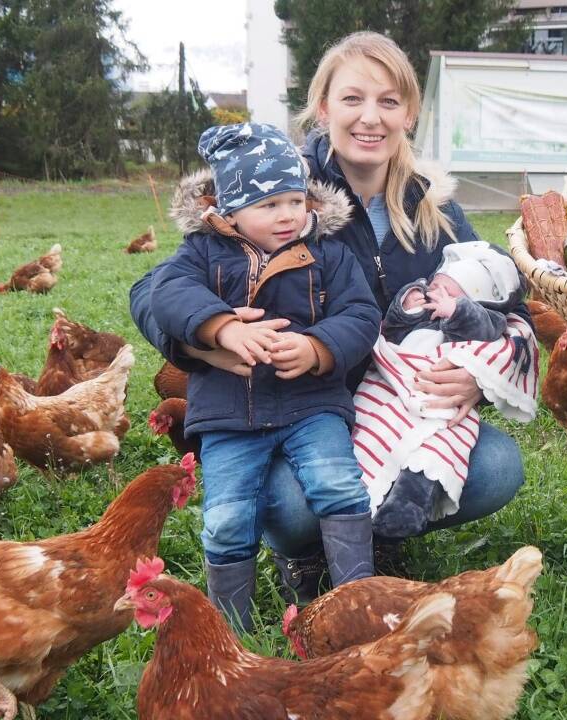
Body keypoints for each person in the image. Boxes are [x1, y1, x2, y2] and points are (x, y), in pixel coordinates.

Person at [129, 31, 535, 606]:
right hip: (299, 405)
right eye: (352, 99)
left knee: (496, 466)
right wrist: (205, 340)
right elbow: (154, 287)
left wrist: (479, 375)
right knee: (296, 507)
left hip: (397, 408)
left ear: (409, 115)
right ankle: (303, 550)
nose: (371, 117)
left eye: (389, 101)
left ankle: (375, 538)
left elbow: (507, 305)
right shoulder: (277, 191)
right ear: (323, 109)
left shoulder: (435, 208)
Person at [149, 121, 382, 630]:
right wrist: (221, 328)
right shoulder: (200, 254)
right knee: (227, 519)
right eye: (268, 205)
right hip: (231, 415)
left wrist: (319, 347)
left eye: (295, 200)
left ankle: (357, 604)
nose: (287, 215)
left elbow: (362, 315)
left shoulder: (329, 253)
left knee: (339, 485)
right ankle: (229, 630)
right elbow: (166, 295)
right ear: (230, 209)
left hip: (313, 405)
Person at [360, 240, 531, 538]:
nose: (435, 295)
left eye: (450, 292)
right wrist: (407, 306)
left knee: (445, 451)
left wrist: (478, 372)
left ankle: (404, 509)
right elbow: (393, 329)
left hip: (443, 407)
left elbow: (500, 324)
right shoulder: (296, 215)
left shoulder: (442, 216)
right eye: (434, 287)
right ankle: (325, 538)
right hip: (384, 386)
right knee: (368, 437)